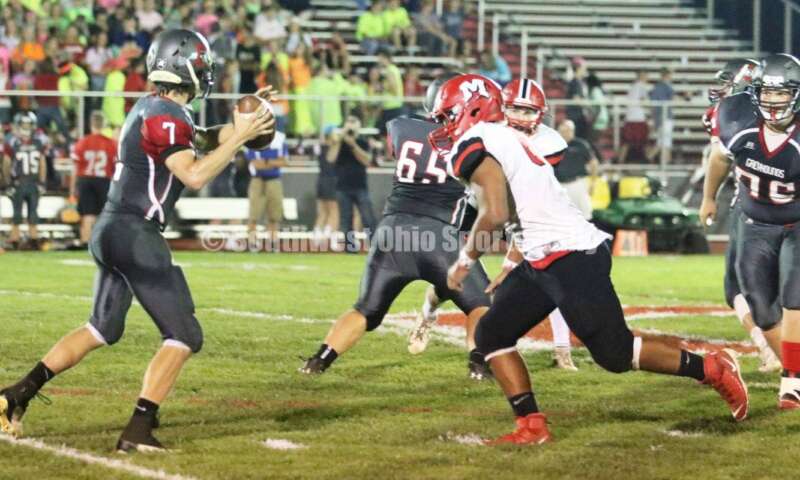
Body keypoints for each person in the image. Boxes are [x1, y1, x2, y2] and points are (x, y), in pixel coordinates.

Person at [433, 73, 748, 444]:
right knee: (492, 333)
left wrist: (465, 261)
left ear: (472, 108)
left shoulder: (477, 140)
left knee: (614, 354)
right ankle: (531, 425)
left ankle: (711, 367)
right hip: (544, 253)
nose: (444, 125)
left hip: (569, 253)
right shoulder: (504, 136)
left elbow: (498, 212)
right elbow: (529, 206)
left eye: (446, 115)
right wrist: (513, 262)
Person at [0, 29, 275, 451]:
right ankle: (139, 429)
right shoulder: (165, 114)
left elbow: (200, 139)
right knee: (184, 334)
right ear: (190, 68)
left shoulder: (155, 108)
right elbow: (195, 174)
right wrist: (240, 137)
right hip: (134, 231)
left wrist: (244, 125)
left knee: (101, 328)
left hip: (112, 229)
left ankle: (15, 395)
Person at [301, 74, 494, 380]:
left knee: (366, 309)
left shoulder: (403, 127)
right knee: (479, 304)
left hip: (392, 231)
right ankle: (479, 366)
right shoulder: (478, 142)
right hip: (440, 237)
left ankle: (318, 361)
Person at [411, 78, 579, 371]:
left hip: (522, 209)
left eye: (529, 112)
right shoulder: (485, 131)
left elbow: (524, 198)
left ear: (541, 114)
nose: (521, 117)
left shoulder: (549, 143)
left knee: (551, 270)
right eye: (514, 109)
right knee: (452, 279)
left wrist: (513, 261)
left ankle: (562, 350)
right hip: (479, 207)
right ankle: (427, 315)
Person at [700, 54, 800, 410]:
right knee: (761, 308)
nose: (773, 102)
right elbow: (719, 160)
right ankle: (792, 368)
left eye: (782, 93)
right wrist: (708, 198)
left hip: (796, 224)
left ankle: (793, 382)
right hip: (755, 221)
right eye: (767, 94)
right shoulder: (735, 116)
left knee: (794, 298)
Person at [698, 58, 779, 373]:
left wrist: (709, 197)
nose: (721, 90)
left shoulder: (730, 115)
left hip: (754, 207)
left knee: (738, 286)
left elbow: (720, 156)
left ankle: (768, 347)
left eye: (728, 83)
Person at [326, 115, 376, 253]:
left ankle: (375, 247)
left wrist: (353, 144)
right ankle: (350, 248)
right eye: (348, 122)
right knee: (346, 220)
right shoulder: (338, 143)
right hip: (342, 187)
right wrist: (341, 138)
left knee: (368, 219)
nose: (351, 125)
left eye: (354, 122)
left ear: (359, 126)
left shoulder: (363, 142)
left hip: (360, 186)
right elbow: (330, 158)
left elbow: (367, 161)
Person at [69, 111, 117, 247]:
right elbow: (116, 167)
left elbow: (75, 168)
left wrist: (72, 189)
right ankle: (102, 243)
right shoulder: (111, 143)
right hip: (104, 180)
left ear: (91, 124)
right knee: (104, 214)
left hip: (86, 180)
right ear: (104, 125)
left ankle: (85, 241)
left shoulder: (83, 142)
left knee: (87, 214)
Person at [2, 112, 48, 250]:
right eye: (24, 124)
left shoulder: (14, 142)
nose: (26, 127)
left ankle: (23, 240)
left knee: (27, 213)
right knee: (24, 213)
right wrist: (42, 182)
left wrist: (8, 182)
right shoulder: (37, 142)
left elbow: (6, 163)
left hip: (24, 182)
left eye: (28, 125)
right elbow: (42, 164)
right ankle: (26, 240)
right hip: (27, 182)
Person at [246, 129, 288, 250]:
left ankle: (273, 242)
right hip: (257, 179)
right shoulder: (253, 137)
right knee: (254, 214)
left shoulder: (279, 138)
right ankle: (252, 242)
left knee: (274, 215)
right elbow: (255, 163)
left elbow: (284, 161)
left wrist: (266, 162)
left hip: (274, 180)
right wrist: (273, 162)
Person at [314, 131, 339, 246]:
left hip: (321, 181)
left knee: (323, 212)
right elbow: (331, 160)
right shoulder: (331, 148)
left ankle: (317, 238)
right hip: (331, 181)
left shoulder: (320, 147)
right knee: (334, 212)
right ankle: (330, 239)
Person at [619, 70, 649, 163]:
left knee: (627, 142)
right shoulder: (641, 86)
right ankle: (646, 161)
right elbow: (644, 102)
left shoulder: (633, 87)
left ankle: (620, 161)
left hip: (630, 117)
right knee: (643, 142)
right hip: (638, 118)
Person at [649, 67, 675, 164]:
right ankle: (663, 163)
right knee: (665, 142)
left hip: (661, 117)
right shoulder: (664, 87)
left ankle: (666, 162)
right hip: (664, 117)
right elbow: (672, 98)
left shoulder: (657, 87)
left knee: (663, 142)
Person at [565, 57, 590, 140]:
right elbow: (576, 99)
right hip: (576, 117)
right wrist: (589, 105)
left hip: (577, 116)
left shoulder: (578, 81)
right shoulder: (576, 82)